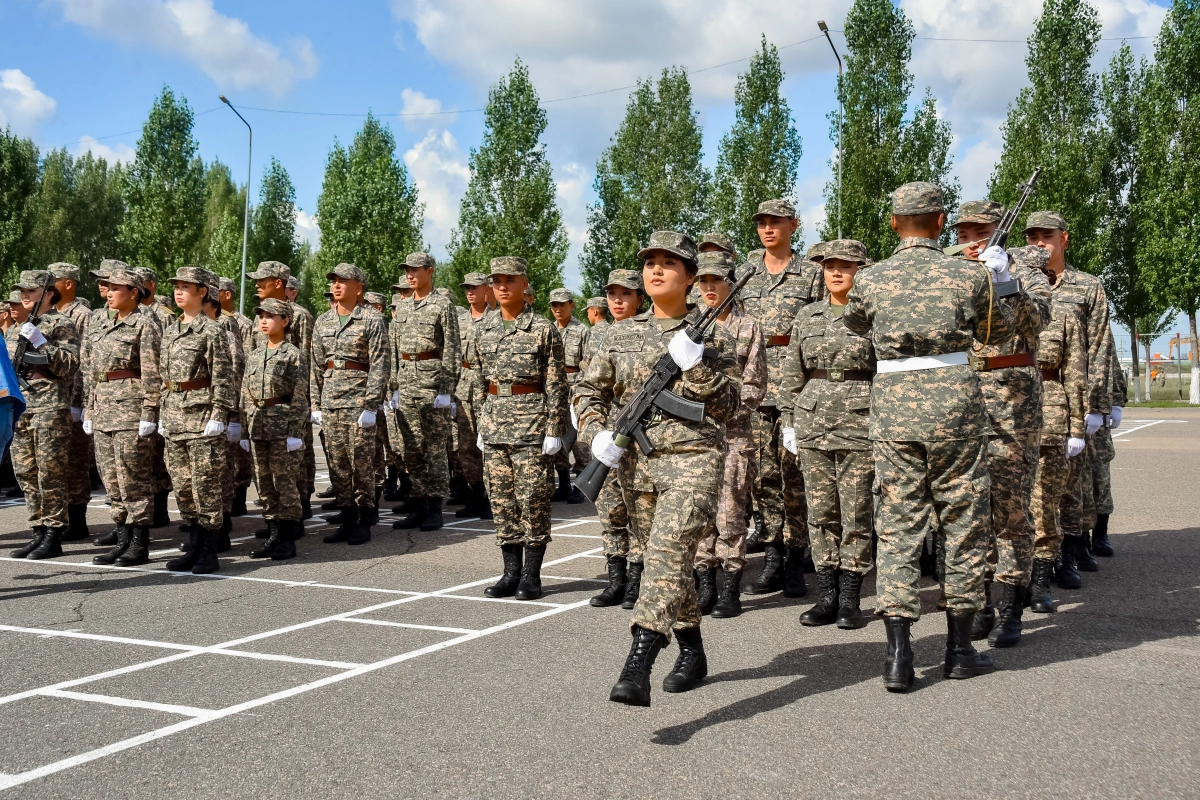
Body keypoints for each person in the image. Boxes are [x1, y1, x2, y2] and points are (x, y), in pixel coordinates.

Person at [843, 182, 1016, 693]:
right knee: (963, 521)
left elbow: (855, 323)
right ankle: (960, 650)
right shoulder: (968, 275)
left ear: (895, 224)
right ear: (941, 222)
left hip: (894, 404)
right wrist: (1001, 277)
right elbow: (998, 332)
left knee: (897, 524)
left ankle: (898, 656)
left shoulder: (870, 280)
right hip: (955, 406)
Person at [576, 231, 741, 707]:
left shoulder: (713, 336)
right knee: (667, 564)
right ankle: (693, 651)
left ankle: (639, 661)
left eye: (670, 263)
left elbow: (732, 408)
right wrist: (595, 433)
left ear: (690, 277)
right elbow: (588, 392)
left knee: (666, 555)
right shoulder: (617, 333)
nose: (656, 270)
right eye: (650, 262)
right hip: (636, 465)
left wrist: (699, 370)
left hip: (694, 461)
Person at [951, 201, 1051, 648]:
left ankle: (1012, 607)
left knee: (1010, 509)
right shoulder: (952, 273)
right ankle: (981, 601)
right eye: (963, 231)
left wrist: (1005, 280)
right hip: (960, 396)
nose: (971, 239)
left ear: (998, 230)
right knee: (969, 508)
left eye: (980, 229)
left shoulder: (1022, 268)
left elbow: (1038, 321)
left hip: (1013, 397)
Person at [781, 239, 876, 630]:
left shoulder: (873, 315)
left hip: (860, 416)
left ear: (861, 271)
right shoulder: (807, 316)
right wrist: (788, 418)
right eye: (830, 265)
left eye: (846, 266)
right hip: (813, 417)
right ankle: (827, 595)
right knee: (820, 513)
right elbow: (792, 370)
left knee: (855, 510)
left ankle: (851, 598)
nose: (836, 272)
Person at [737, 199, 825, 598]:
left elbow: (821, 330)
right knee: (763, 479)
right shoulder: (744, 275)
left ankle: (795, 559)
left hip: (794, 387)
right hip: (754, 388)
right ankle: (771, 558)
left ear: (794, 224)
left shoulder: (811, 274)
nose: (768, 229)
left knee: (796, 479)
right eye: (762, 224)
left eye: (776, 222)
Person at [467, 256, 567, 602]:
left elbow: (556, 382)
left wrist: (555, 427)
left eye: (510, 280)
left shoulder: (542, 328)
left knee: (533, 499)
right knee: (502, 500)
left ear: (525, 284)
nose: (502, 287)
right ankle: (510, 573)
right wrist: (481, 421)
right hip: (495, 424)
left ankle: (531, 576)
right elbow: (478, 379)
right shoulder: (483, 328)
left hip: (532, 424)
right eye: (496, 281)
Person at [1024, 211, 1113, 578]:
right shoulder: (1018, 283)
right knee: (1032, 486)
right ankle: (1040, 558)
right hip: (1024, 394)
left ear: (1064, 239)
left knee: (1069, 481)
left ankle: (1070, 547)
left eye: (1046, 236)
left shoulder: (1086, 286)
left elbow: (1098, 349)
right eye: (1032, 237)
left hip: (1067, 396)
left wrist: (1097, 406)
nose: (1038, 243)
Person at [693, 251, 766, 619]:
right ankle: (705, 582)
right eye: (703, 281)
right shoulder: (690, 328)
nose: (709, 288)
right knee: (699, 511)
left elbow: (754, 386)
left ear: (730, 284)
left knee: (731, 513)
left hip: (734, 435)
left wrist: (722, 409)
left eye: (715, 281)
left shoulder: (748, 326)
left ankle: (731, 586)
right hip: (695, 437)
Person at [1018, 246, 1087, 613]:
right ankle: (1013, 581)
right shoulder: (999, 312)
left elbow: (1075, 373)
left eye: (1035, 274)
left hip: (1051, 415)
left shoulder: (1063, 316)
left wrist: (1078, 424)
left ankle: (1041, 581)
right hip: (1006, 415)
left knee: (1044, 505)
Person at [81, 266, 162, 566]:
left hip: (130, 409)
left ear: (133, 292)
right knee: (111, 479)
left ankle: (139, 543)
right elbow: (93, 373)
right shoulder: (102, 323)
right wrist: (89, 408)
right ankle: (122, 537)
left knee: (133, 479)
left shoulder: (145, 324)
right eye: (108, 287)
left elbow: (153, 372)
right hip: (103, 408)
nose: (109, 292)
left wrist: (150, 411)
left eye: (116, 288)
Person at [160, 267, 234, 575]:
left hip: (202, 417)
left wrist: (219, 415)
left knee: (205, 486)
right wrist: (162, 414)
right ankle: (193, 544)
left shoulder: (212, 331)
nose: (179, 291)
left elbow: (223, 377)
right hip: (175, 418)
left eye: (186, 287)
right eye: (176, 286)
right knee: (183, 488)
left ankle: (208, 549)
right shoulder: (170, 330)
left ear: (202, 292)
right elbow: (164, 378)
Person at [5, 270, 80, 560]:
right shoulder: (14, 329)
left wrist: (42, 342)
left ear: (48, 292)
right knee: (26, 473)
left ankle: (53, 534)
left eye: (31, 291)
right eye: (22, 290)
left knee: (51, 473)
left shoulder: (62, 324)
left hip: (49, 408)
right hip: (20, 408)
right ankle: (37, 530)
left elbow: (69, 367)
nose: (24, 295)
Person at [312, 263, 389, 545]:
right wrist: (314, 403)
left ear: (358, 287)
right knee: (338, 463)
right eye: (334, 280)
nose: (336, 285)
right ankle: (346, 516)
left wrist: (371, 405)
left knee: (362, 464)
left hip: (358, 402)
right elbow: (316, 365)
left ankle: (364, 520)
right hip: (331, 401)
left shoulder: (371, 319)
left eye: (343, 281)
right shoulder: (323, 321)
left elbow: (380, 363)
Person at [583, 269, 645, 608]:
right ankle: (615, 580)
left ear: (640, 298)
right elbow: (592, 387)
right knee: (610, 507)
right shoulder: (601, 335)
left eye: (626, 294)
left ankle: (637, 579)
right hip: (609, 433)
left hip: (643, 432)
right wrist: (594, 432)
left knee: (638, 508)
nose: (617, 300)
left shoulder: (651, 332)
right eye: (612, 294)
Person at [389, 253, 459, 532]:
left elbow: (452, 347)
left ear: (430, 271)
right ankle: (418, 501)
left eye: (416, 270)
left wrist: (446, 388)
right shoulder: (402, 307)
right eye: (407, 270)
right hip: (406, 383)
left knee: (435, 448)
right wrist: (393, 386)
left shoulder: (442, 305)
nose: (410, 275)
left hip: (432, 384)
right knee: (411, 449)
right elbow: (394, 350)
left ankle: (434, 506)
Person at [246, 261, 317, 521]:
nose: (256, 284)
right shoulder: (259, 317)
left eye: (261, 280)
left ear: (278, 282)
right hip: (264, 398)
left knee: (295, 457)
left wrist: (305, 404)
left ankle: (300, 504)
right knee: (267, 468)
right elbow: (253, 353)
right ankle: (277, 516)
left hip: (289, 400)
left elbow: (305, 357)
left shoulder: (299, 315)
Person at [241, 298, 310, 561]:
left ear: (285, 321)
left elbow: (300, 397)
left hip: (282, 427)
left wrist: (295, 431)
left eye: (270, 316)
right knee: (264, 484)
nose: (263, 321)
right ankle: (272, 533)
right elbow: (245, 392)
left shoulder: (293, 355)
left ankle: (288, 538)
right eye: (261, 316)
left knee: (285, 484)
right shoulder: (256, 354)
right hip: (258, 425)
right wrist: (245, 427)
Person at [50, 262, 94, 542]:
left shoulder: (82, 315)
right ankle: (61, 516)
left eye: (52, 280)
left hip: (73, 399)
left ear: (68, 283)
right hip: (52, 397)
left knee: (76, 460)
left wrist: (80, 401)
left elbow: (85, 361)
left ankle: (78, 520)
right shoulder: (49, 314)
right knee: (56, 462)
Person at [133, 266, 174, 529]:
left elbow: (166, 359)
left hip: (152, 392)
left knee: (157, 457)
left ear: (150, 285)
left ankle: (160, 509)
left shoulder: (163, 316)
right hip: (126, 397)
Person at [451, 272, 493, 519]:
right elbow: (454, 356)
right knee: (466, 447)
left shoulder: (495, 319)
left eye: (475, 287)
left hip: (487, 389)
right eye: (467, 287)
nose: (470, 291)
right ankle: (475, 494)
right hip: (463, 387)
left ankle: (491, 496)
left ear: (486, 289)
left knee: (488, 445)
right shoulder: (459, 321)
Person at [548, 287, 589, 503]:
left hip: (575, 387)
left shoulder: (582, 331)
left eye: (562, 304)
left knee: (579, 439)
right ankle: (563, 481)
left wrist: (580, 390)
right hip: (554, 389)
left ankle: (581, 484)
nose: (558, 308)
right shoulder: (548, 329)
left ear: (571, 305)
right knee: (556, 433)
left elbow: (589, 364)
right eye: (554, 305)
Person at [219, 277, 253, 517]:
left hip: (236, 392)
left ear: (227, 294)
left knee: (239, 451)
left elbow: (244, 361)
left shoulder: (240, 324)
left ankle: (239, 496)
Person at [1089, 339, 1126, 557]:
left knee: (1099, 475)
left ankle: (1100, 533)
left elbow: (1111, 361)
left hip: (1098, 406)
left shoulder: (1096, 316)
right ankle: (1076, 539)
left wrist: (1117, 403)